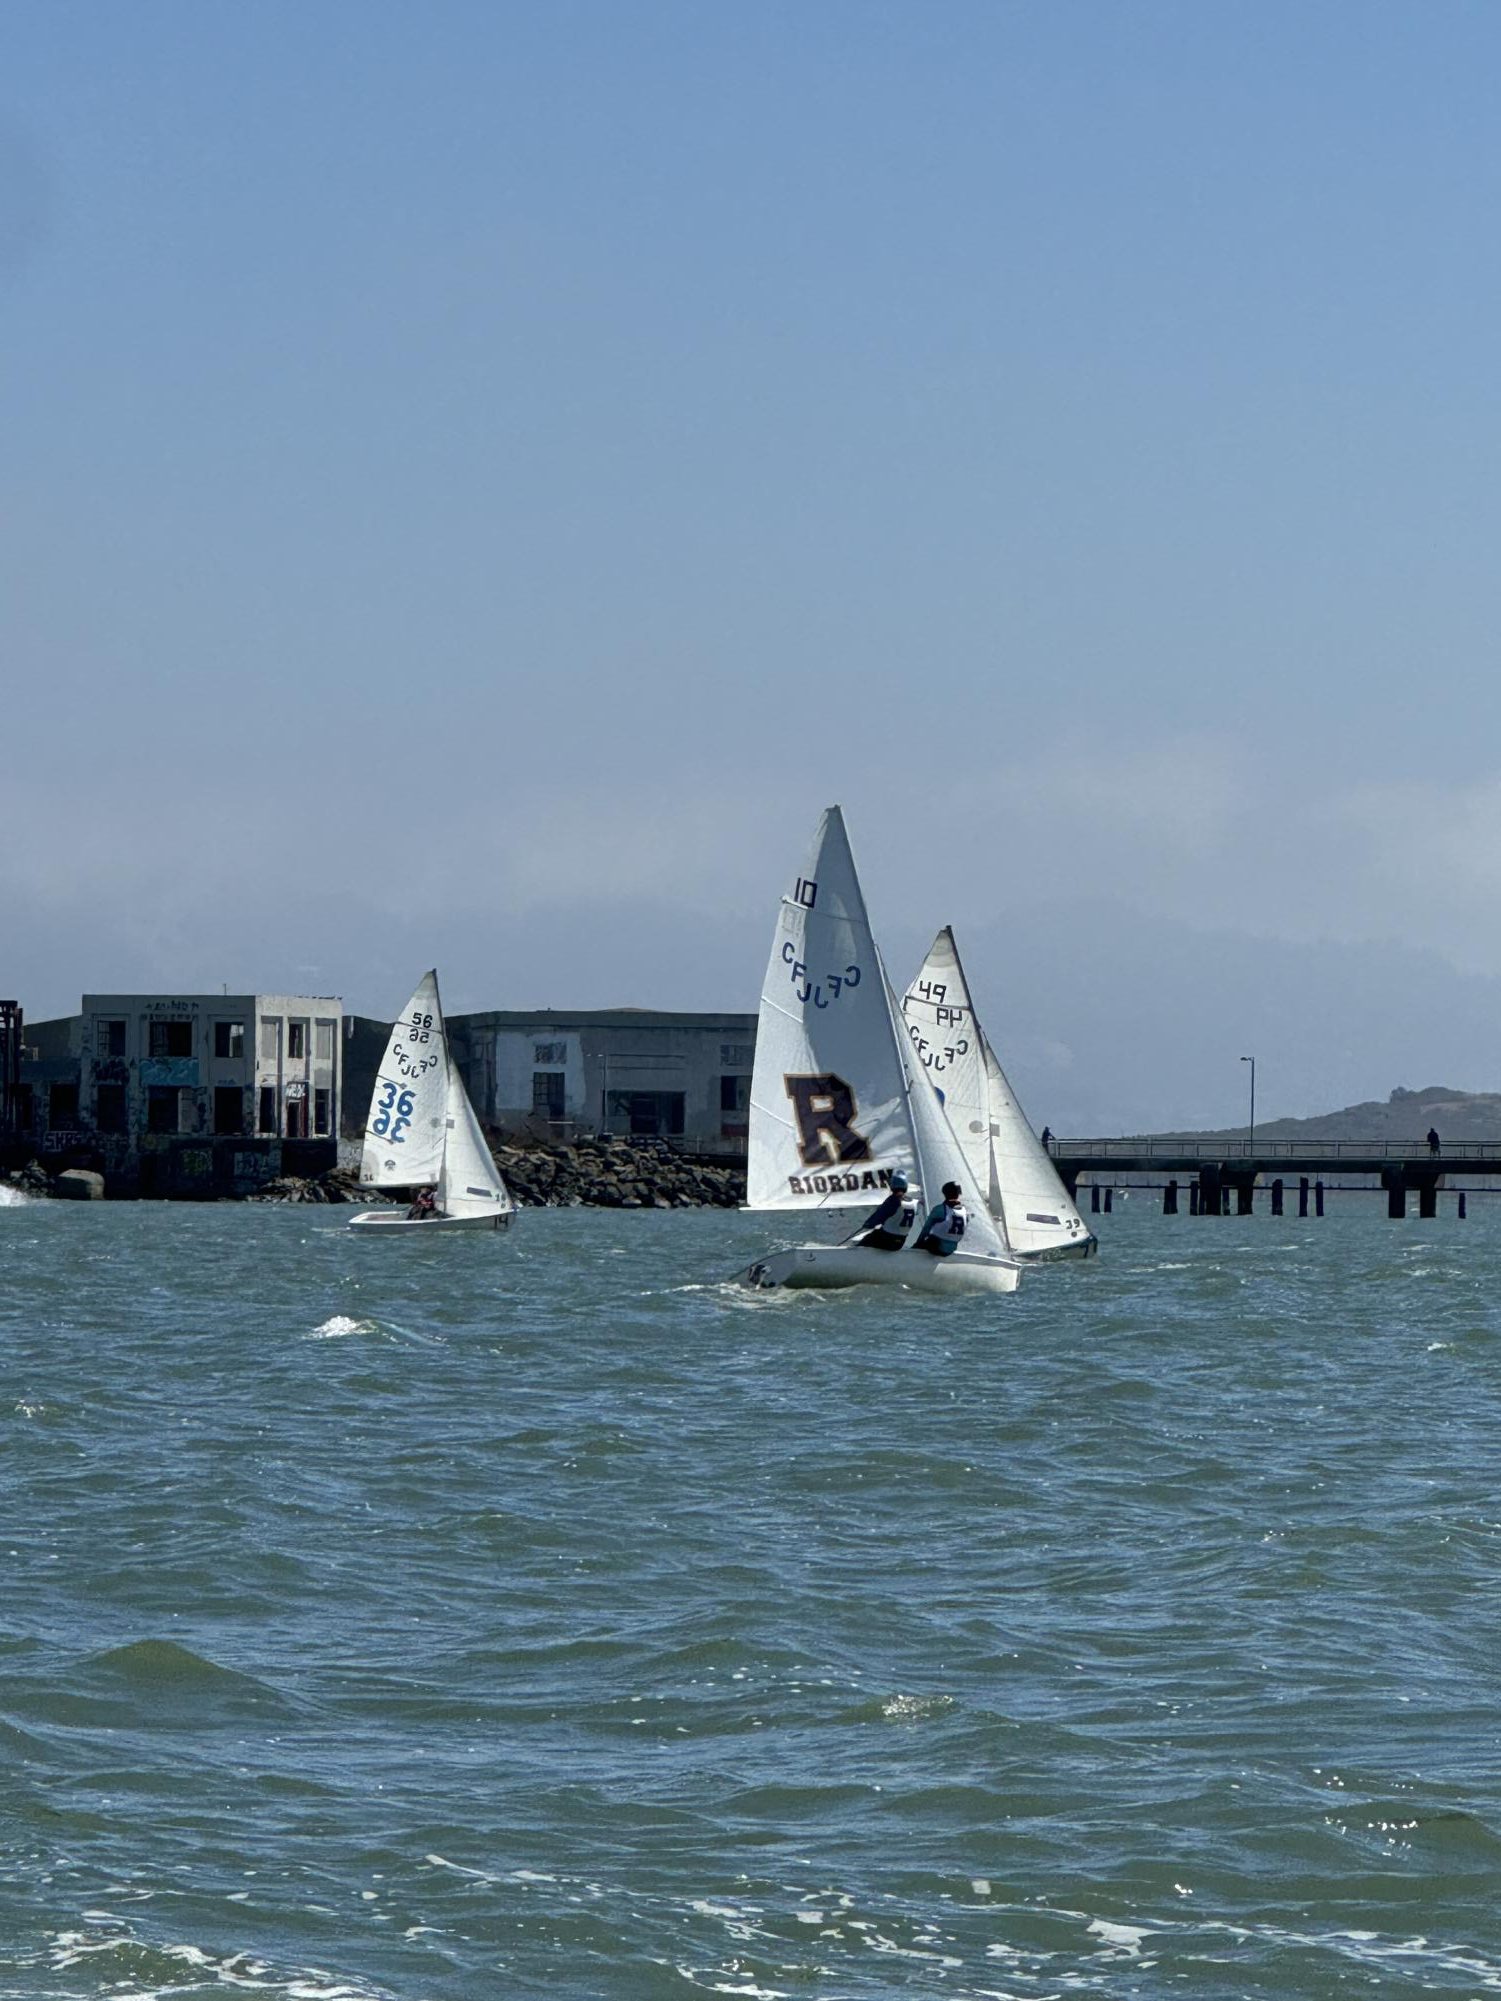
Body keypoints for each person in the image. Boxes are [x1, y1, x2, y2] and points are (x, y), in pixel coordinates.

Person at [855, 1170, 918, 1251]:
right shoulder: (913, 1202)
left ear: (892, 1186)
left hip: (887, 1239)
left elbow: (878, 1217)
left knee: (867, 1239)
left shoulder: (892, 1201)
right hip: (900, 1242)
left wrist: (867, 1224)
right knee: (878, 1232)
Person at [916, 1180, 968, 1256]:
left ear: (945, 1193)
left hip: (937, 1248)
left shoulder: (939, 1209)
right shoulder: (964, 1211)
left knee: (928, 1239)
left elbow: (926, 1229)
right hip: (952, 1249)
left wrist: (917, 1244)